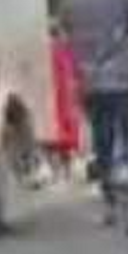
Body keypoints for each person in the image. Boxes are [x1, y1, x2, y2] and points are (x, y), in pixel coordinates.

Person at [58, 0, 128, 245]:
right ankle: (127, 170)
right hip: (126, 79)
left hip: (90, 82)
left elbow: (62, 34)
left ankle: (110, 204)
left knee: (102, 141)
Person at [46, 21, 85, 183]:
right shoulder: (67, 50)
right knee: (66, 134)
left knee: (57, 135)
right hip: (64, 97)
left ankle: (59, 172)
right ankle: (65, 171)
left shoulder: (52, 50)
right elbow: (78, 73)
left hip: (57, 97)